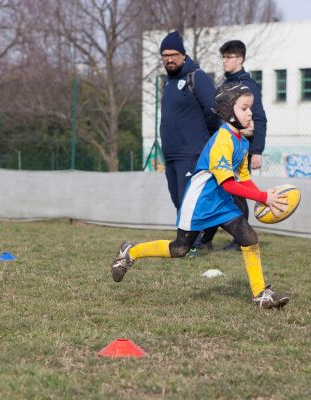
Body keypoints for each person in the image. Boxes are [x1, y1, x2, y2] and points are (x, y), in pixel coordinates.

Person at [110, 82, 289, 309]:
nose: (250, 112)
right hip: (200, 203)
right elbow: (228, 184)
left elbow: (242, 178)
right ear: (228, 112)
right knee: (179, 249)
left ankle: (260, 294)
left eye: (250, 108)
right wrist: (264, 198)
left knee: (249, 238)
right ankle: (130, 252)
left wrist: (264, 196)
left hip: (222, 203)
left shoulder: (242, 142)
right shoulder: (222, 140)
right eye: (244, 108)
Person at [200, 40, 269, 251]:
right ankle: (205, 239)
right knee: (217, 191)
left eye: (228, 57)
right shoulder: (223, 85)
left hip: (240, 149)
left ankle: (241, 240)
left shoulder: (248, 86)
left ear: (239, 59)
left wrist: (256, 151)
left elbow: (259, 118)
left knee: (237, 192)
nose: (224, 61)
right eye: (223, 57)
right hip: (222, 148)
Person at [159, 31, 221, 211]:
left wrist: (203, 138)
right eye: (165, 56)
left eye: (173, 55)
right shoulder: (168, 82)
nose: (169, 59)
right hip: (171, 155)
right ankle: (190, 239)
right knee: (179, 202)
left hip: (191, 154)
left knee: (190, 204)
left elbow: (213, 110)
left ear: (183, 55)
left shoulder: (197, 77)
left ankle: (199, 239)